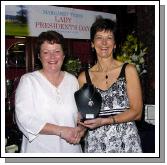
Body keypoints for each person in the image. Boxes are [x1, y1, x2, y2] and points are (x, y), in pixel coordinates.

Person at [78, 18, 143, 153]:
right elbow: (83, 113)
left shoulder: (128, 70)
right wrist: (81, 124)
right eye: (99, 38)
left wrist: (105, 121)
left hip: (126, 142)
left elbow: (137, 112)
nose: (104, 43)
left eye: (109, 38)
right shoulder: (84, 77)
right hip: (96, 144)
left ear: (114, 44)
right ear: (92, 43)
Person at [15, 30, 84, 153]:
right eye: (46, 52)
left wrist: (82, 128)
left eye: (57, 51)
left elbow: (79, 114)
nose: (52, 57)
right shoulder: (29, 81)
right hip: (39, 151)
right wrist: (61, 130)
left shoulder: (72, 80)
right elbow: (24, 118)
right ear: (39, 56)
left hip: (71, 150)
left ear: (63, 56)